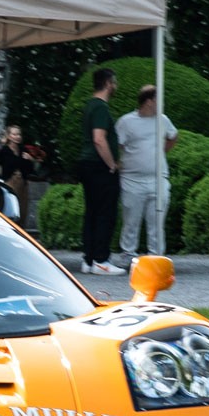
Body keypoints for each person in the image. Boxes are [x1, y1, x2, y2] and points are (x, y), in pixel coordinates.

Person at [114, 84, 178, 260]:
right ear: (149, 101)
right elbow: (118, 145)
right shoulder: (126, 121)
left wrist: (160, 152)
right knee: (131, 220)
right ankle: (128, 253)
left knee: (157, 221)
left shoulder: (163, 120)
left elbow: (173, 136)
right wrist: (121, 163)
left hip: (158, 178)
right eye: (159, 100)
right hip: (132, 179)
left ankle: (156, 256)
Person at [77, 68, 121, 275]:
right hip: (99, 166)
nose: (116, 86)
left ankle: (89, 259)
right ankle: (102, 260)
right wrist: (112, 164)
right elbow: (99, 139)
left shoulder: (89, 106)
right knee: (105, 213)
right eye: (114, 82)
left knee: (92, 212)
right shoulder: (101, 108)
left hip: (88, 165)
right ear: (107, 83)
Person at [0, 124, 41, 226]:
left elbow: (31, 170)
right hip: (10, 184)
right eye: (14, 134)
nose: (17, 136)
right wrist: (0, 180)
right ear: (9, 136)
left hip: (23, 185)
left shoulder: (23, 150)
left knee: (22, 211)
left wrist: (30, 159)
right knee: (11, 211)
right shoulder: (4, 151)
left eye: (19, 134)